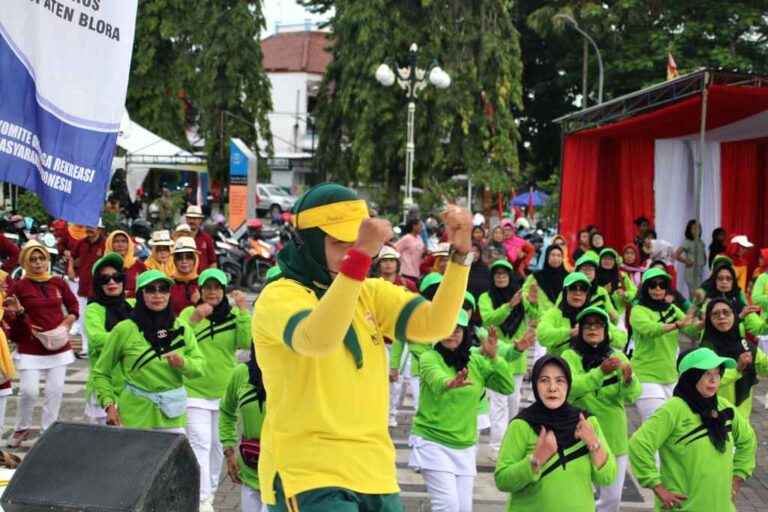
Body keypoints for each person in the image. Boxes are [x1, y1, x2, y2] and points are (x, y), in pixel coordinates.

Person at [251, 183, 474, 510]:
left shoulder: (369, 291)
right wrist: (358, 260)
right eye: (339, 241)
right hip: (308, 471)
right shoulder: (279, 295)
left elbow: (436, 326)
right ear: (306, 242)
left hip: (376, 472)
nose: (353, 250)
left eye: (358, 241)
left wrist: (460, 257)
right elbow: (318, 339)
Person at [628, 347, 756, 511]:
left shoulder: (724, 407)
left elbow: (748, 440)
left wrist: (738, 477)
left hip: (722, 507)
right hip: (684, 507)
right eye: (706, 374)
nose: (713, 380)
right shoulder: (673, 410)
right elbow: (639, 444)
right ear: (690, 377)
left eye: (717, 373)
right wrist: (656, 485)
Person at [409, 313, 514, 512]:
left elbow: (507, 387)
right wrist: (449, 382)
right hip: (433, 442)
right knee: (447, 506)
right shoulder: (429, 357)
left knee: (464, 508)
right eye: (447, 327)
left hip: (465, 445)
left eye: (457, 329)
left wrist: (495, 358)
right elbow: (435, 378)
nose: (451, 334)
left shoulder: (474, 360)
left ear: (465, 332)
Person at [494, 355, 617, 511]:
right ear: (535, 385)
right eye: (544, 380)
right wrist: (536, 460)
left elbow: (608, 477)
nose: (552, 388)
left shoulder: (586, 423)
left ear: (569, 385)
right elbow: (503, 481)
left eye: (560, 380)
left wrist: (594, 444)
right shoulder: (522, 425)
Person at [93, 270, 204, 432]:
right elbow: (101, 372)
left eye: (163, 289)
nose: (158, 295)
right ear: (140, 294)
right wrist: (109, 405)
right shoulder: (124, 329)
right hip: (135, 415)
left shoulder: (181, 327)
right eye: (151, 289)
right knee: (135, 458)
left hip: (171, 415)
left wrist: (183, 363)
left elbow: (199, 368)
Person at [179, 269, 252, 511]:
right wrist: (196, 318)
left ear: (224, 291)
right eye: (207, 287)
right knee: (200, 443)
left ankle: (208, 494)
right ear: (199, 291)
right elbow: (176, 340)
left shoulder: (232, 315)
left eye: (217, 288)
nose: (212, 292)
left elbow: (245, 341)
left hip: (223, 392)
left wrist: (243, 309)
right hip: (193, 391)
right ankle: (201, 499)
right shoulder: (189, 313)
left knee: (218, 446)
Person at [562, 307, 640, 512]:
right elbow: (570, 387)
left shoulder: (618, 356)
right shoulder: (570, 356)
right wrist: (599, 373)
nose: (593, 328)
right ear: (580, 330)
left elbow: (632, 395)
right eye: (587, 324)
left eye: (598, 324)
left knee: (612, 498)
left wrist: (628, 379)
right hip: (577, 433)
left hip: (613, 436)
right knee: (578, 495)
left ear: (606, 330)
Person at [5, 241, 78, 447]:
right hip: (30, 347)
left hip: (58, 346)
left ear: (47, 260)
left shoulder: (57, 282)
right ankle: (21, 428)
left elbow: (73, 305)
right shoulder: (19, 286)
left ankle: (48, 432)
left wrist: (68, 321)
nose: (38, 263)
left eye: (42, 258)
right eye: (33, 259)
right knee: (29, 391)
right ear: (26, 262)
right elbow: (10, 314)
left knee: (54, 391)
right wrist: (23, 319)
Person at [479, 259, 538, 460]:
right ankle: (496, 447)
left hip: (516, 359)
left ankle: (510, 443)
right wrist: (508, 306)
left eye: (505, 274)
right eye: (497, 274)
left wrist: (534, 302)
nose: (501, 277)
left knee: (513, 402)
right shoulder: (486, 297)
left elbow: (536, 317)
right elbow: (488, 320)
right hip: (495, 357)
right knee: (498, 403)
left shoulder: (521, 297)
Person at [629, 268, 697, 422]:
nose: (658, 289)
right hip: (646, 375)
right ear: (645, 288)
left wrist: (705, 321)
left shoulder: (671, 308)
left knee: (674, 424)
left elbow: (690, 327)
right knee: (655, 423)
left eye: (662, 285)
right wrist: (676, 325)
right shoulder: (638, 310)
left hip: (671, 376)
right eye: (653, 285)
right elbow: (650, 329)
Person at [83, 254, 133, 425]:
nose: (112, 282)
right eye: (105, 279)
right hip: (105, 388)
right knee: (106, 447)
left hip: (132, 389)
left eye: (116, 277)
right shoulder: (94, 309)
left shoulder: (132, 305)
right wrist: (130, 338)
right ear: (98, 283)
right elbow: (97, 339)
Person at [699, 298, 768, 419]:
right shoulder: (706, 349)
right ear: (709, 320)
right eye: (715, 314)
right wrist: (737, 368)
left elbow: (765, 366)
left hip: (742, 419)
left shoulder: (745, 345)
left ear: (734, 316)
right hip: (714, 417)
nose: (721, 317)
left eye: (726, 312)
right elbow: (707, 381)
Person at [219, 348, 268, 512]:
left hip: (284, 478)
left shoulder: (296, 372)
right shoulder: (241, 373)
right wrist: (229, 451)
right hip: (250, 469)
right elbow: (227, 410)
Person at [69, 222, 105, 357]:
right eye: (87, 226)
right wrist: (71, 268)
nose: (89, 229)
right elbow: (72, 255)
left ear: (100, 229)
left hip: (101, 288)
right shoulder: (81, 243)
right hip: (84, 287)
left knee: (100, 319)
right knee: (84, 319)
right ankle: (85, 348)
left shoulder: (106, 244)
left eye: (92, 226)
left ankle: (100, 347)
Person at [574, 253, 619, 325]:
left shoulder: (601, 291)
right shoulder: (570, 289)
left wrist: (614, 317)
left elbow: (611, 312)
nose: (587, 272)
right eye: (584, 269)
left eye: (591, 269)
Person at [523, 245, 568, 314]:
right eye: (552, 255)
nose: (555, 258)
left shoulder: (568, 277)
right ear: (547, 257)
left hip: (562, 317)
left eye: (559, 255)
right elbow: (525, 293)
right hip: (540, 317)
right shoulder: (536, 276)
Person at [104, 230, 146, 297]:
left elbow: (146, 289)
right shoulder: (104, 265)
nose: (120, 245)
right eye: (116, 242)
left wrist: (129, 294)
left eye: (124, 241)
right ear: (110, 244)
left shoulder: (138, 264)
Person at [598, 248, 637, 320]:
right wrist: (603, 291)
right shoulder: (594, 276)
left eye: (611, 259)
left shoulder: (622, 276)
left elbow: (634, 291)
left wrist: (625, 294)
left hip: (620, 313)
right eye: (605, 258)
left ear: (615, 262)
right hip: (600, 312)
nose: (607, 261)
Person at [675, 220, 707, 299]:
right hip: (691, 270)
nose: (697, 230)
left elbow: (703, 252)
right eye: (694, 228)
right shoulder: (688, 242)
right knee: (695, 291)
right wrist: (686, 261)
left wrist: (705, 260)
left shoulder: (700, 241)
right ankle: (693, 307)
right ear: (689, 230)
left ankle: (694, 306)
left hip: (700, 268)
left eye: (698, 228)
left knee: (698, 289)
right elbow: (676, 255)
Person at [170, 236, 201, 316]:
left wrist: (201, 302)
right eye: (179, 258)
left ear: (195, 259)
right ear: (174, 261)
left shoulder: (203, 283)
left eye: (189, 257)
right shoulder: (168, 283)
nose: (184, 261)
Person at [185, 205, 218, 272]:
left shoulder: (207, 238)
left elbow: (212, 262)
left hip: (201, 278)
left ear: (200, 220)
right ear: (186, 219)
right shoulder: (180, 237)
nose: (191, 221)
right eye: (189, 218)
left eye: (194, 218)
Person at [752, 248, 768, 314]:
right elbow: (755, 298)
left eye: (762, 258)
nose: (759, 260)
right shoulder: (758, 272)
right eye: (760, 257)